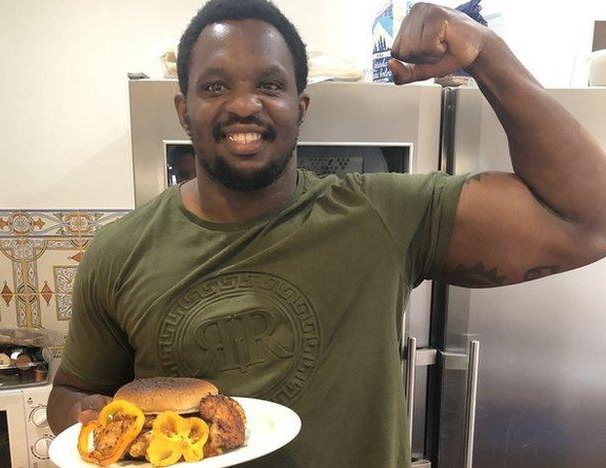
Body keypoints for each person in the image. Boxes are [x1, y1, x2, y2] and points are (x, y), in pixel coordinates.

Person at [47, 1, 606, 467]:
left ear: (301, 107)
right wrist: (89, 419)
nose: (245, 104)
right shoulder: (120, 251)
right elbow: (70, 394)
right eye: (215, 86)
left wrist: (488, 53)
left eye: (270, 84)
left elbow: (589, 220)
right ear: (182, 110)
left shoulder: (383, 216)